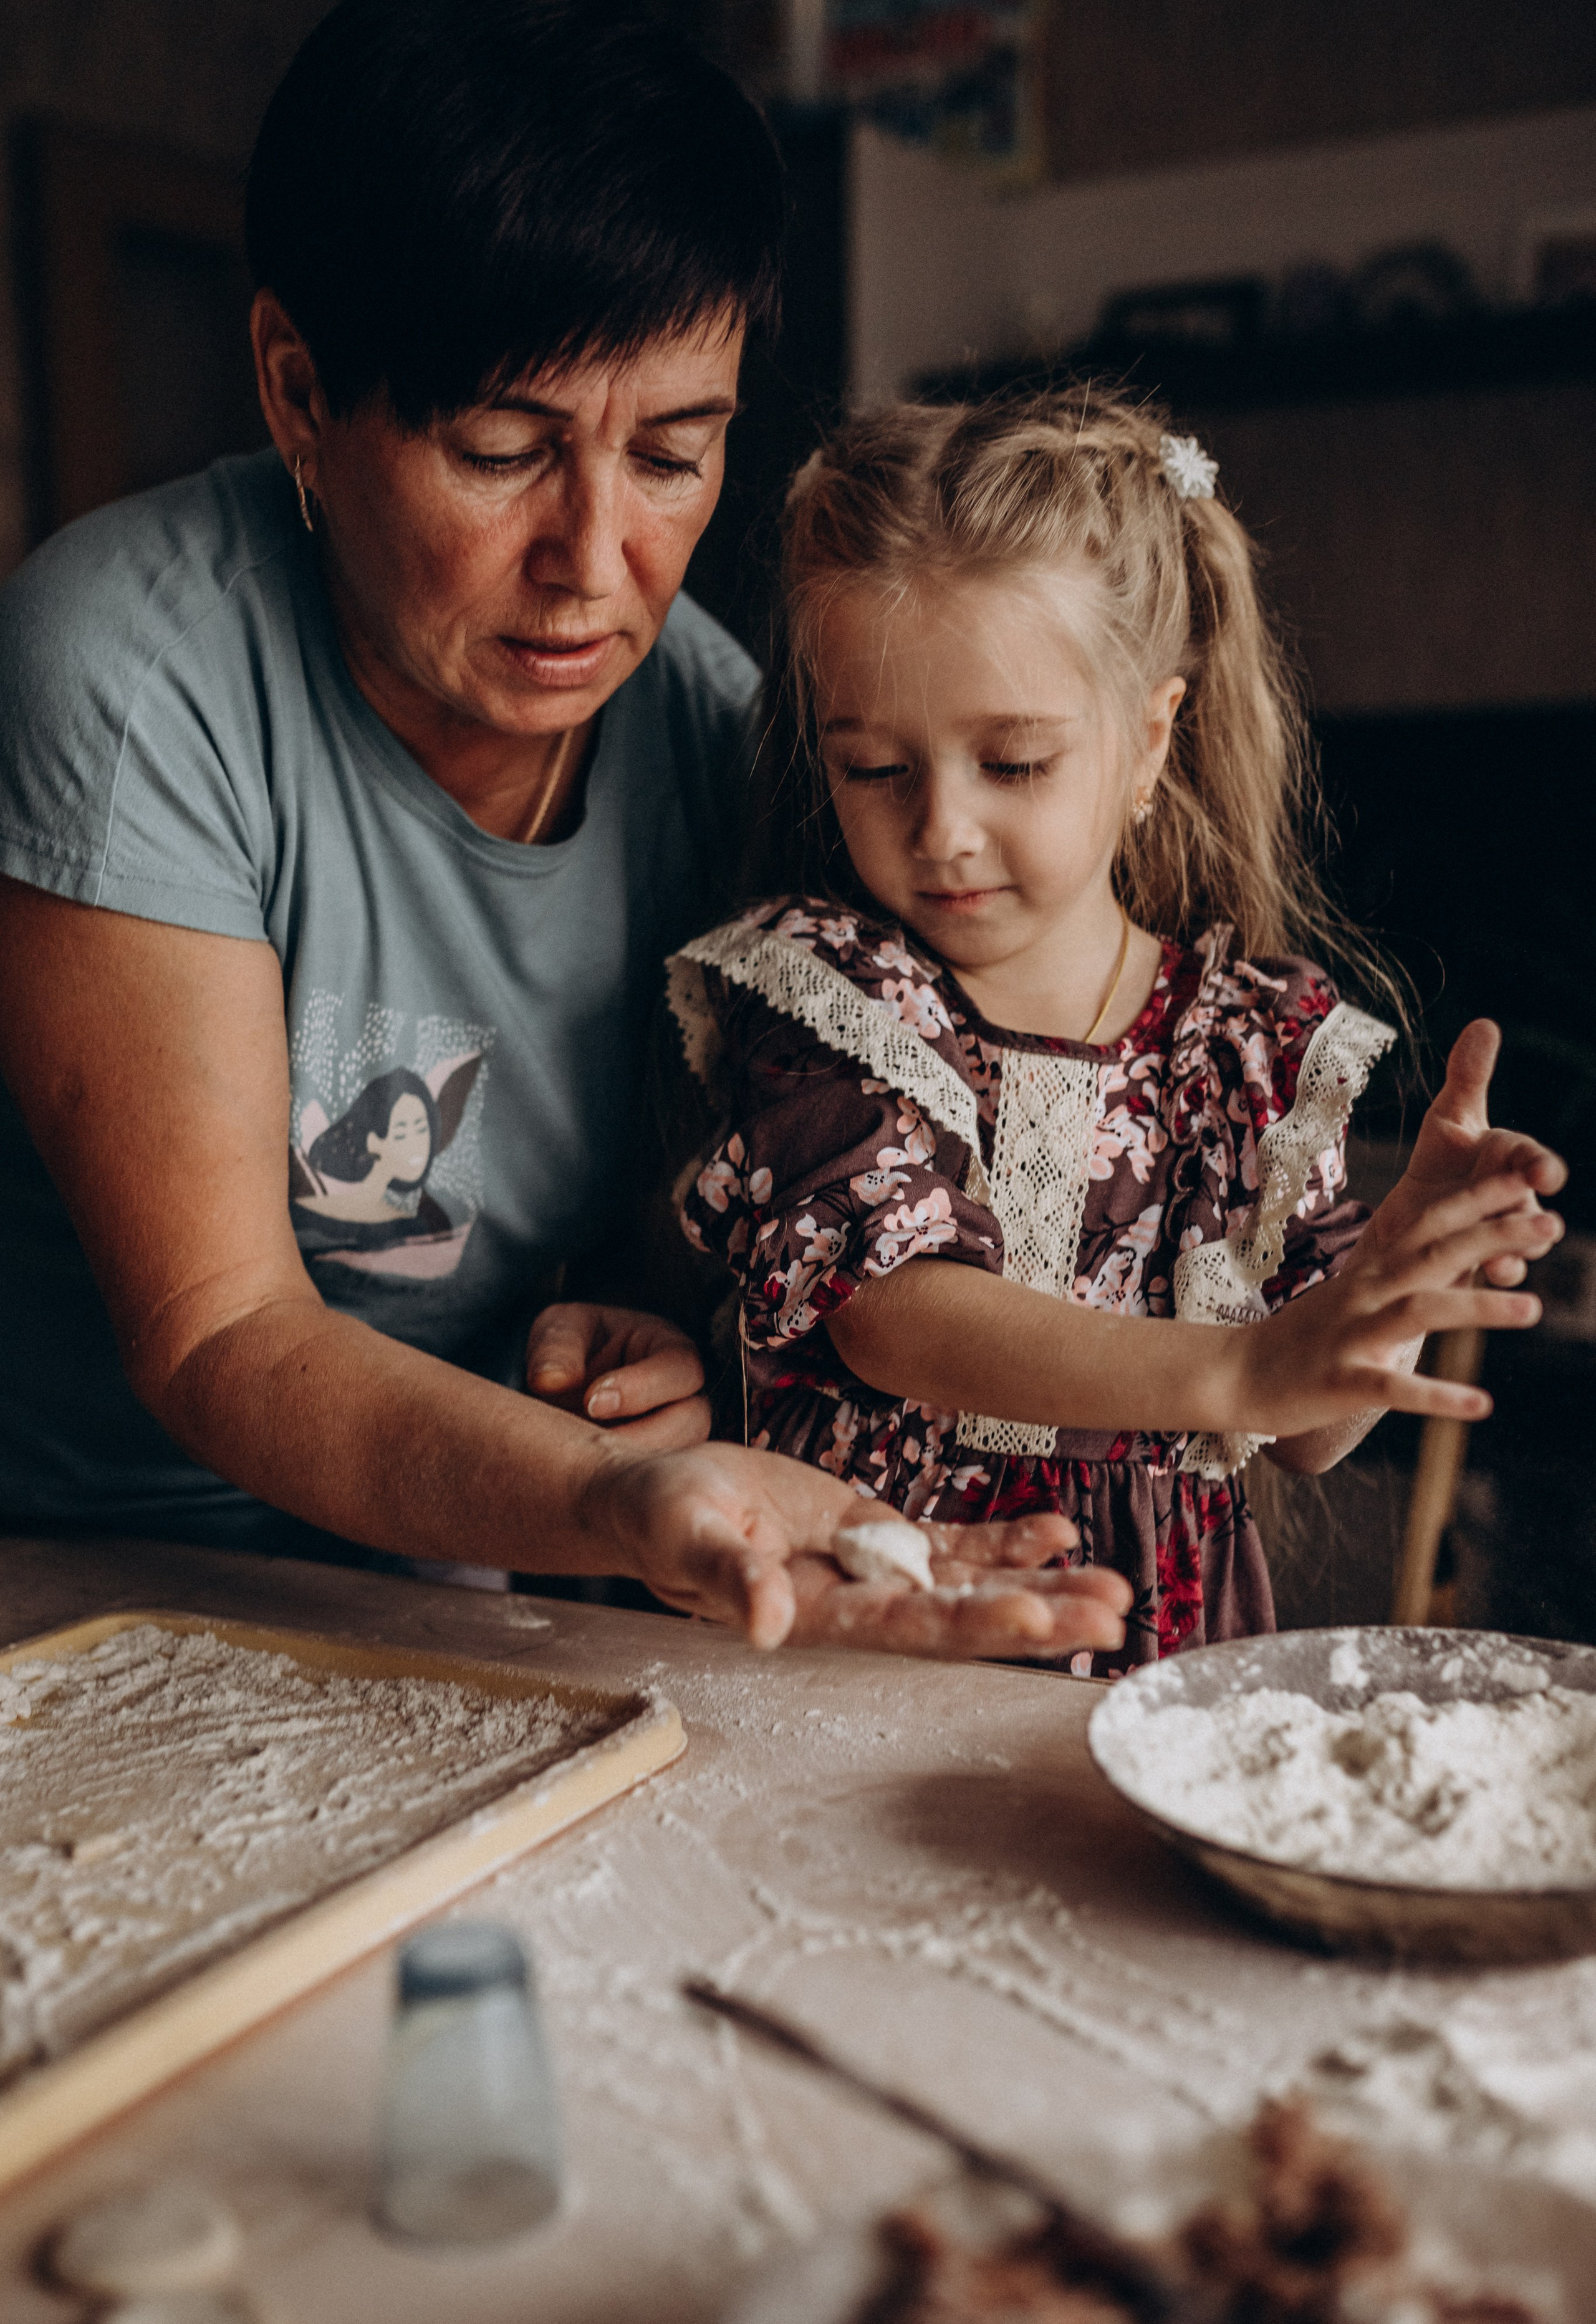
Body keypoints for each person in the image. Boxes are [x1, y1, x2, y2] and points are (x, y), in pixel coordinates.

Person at [0, 1, 1135, 1664]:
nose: (596, 559)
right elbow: (224, 1328)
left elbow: (707, 1204)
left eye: (676, 453)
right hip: (80, 1568)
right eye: (504, 448)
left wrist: (656, 1337)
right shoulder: (128, 671)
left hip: (475, 1562)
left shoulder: (717, 728)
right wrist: (598, 1499)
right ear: (299, 389)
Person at [672, 388, 1565, 1665]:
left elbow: (1309, 1426)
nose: (941, 829)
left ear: (1149, 740)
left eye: (1013, 761)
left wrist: (1394, 1283)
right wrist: (1238, 1370)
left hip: (1151, 1662)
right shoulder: (828, 995)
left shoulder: (1245, 1045)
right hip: (874, 1624)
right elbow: (893, 1311)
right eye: (874, 766)